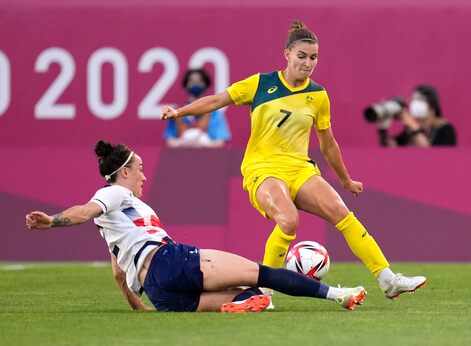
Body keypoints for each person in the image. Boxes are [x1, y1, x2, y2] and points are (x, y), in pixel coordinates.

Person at [161, 20, 427, 304]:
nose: (308, 63)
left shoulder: (318, 95)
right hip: (262, 169)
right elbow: (216, 100)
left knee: (342, 212)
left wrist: (346, 180)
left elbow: (328, 144)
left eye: (313, 58)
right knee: (288, 221)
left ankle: (388, 281)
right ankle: (264, 293)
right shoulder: (260, 84)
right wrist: (178, 113)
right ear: (286, 54)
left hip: (299, 168)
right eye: (301, 56)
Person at [25, 140, 368, 313]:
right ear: (124, 172)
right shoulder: (113, 193)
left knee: (248, 297)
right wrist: (53, 221)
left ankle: (248, 304)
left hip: (159, 294)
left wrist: (140, 308)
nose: (144, 175)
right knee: (261, 274)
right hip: (170, 262)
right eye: (140, 168)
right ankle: (340, 295)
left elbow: (118, 271)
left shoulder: (112, 224)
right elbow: (84, 210)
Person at [164, 68, 231, 148]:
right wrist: (185, 143)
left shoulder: (214, 113)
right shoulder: (176, 112)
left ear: (205, 84)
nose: (196, 83)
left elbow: (220, 142)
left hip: (208, 157)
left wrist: (202, 143)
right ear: (186, 84)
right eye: (191, 81)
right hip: (181, 156)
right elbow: (170, 141)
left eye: (200, 81)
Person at [379, 85, 457, 147]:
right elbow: (393, 146)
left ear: (432, 104)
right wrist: (382, 128)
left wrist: (413, 125)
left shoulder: (445, 129)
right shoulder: (409, 131)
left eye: (418, 99)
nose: (413, 103)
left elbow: (432, 153)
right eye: (412, 100)